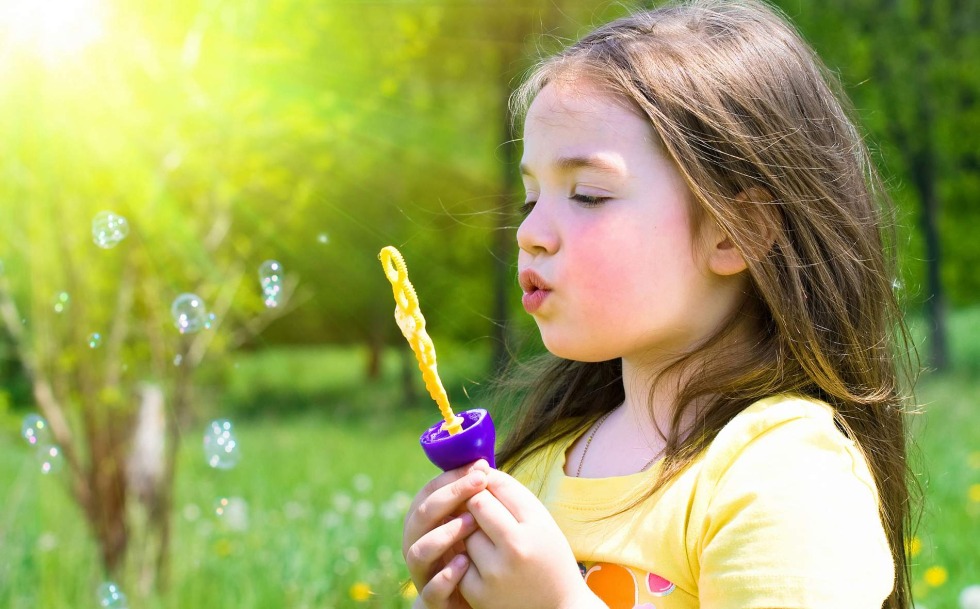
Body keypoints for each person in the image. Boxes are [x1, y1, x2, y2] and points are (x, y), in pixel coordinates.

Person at [402, 1, 917, 607]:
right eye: (530, 199)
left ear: (737, 230)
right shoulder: (537, 466)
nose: (530, 231)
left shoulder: (782, 473)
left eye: (588, 195)